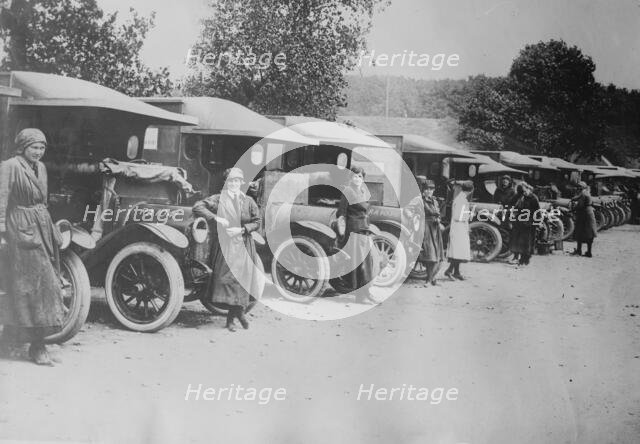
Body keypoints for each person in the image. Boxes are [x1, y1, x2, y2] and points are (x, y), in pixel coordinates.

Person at [0, 128, 66, 365]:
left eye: (41, 148)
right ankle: (32, 346)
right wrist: (1, 233)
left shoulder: (42, 168)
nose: (38, 152)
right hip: (21, 230)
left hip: (42, 228)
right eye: (33, 147)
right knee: (25, 288)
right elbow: (1, 199)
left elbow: (43, 201)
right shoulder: (10, 166)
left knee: (47, 287)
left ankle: (34, 344)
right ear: (22, 147)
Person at [193, 167, 262, 332]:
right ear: (226, 183)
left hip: (244, 245)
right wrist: (216, 218)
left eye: (237, 181)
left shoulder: (249, 202)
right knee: (227, 280)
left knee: (242, 281)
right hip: (226, 246)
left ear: (241, 183)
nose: (234, 184)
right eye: (231, 181)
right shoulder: (219, 199)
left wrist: (243, 229)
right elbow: (198, 206)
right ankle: (237, 316)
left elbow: (258, 222)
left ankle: (233, 317)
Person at [336, 166, 376, 303]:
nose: (357, 179)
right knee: (359, 264)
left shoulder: (364, 191)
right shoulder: (348, 191)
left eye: (360, 176)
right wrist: (342, 232)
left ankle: (367, 292)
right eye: (354, 176)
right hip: (354, 230)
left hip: (364, 229)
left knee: (367, 263)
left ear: (363, 178)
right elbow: (341, 213)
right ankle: (361, 296)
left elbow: (366, 211)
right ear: (350, 177)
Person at [418, 178, 445, 286]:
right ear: (423, 190)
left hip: (435, 229)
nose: (429, 191)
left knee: (437, 255)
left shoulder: (434, 201)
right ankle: (428, 280)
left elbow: (438, 213)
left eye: (431, 189)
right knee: (431, 256)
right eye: (427, 189)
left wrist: (439, 220)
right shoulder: (420, 200)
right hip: (425, 228)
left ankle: (432, 278)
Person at [444, 181, 473, 280]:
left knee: (459, 250)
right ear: (471, 190)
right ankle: (449, 270)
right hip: (458, 227)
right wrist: (466, 217)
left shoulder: (461, 198)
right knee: (458, 250)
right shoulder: (461, 200)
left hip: (460, 226)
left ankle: (456, 272)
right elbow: (457, 216)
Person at [509, 183, 540, 265]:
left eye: (525, 190)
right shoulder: (521, 197)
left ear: (528, 188)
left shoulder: (533, 198)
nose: (524, 192)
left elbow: (537, 211)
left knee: (527, 243)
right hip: (519, 222)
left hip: (528, 223)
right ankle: (517, 258)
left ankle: (525, 260)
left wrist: (537, 222)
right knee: (517, 240)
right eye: (523, 191)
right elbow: (512, 203)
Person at [570, 181, 597, 257]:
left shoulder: (583, 193)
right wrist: (573, 199)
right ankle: (588, 252)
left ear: (580, 188)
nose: (577, 189)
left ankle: (579, 251)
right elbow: (578, 197)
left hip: (584, 215)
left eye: (578, 187)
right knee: (589, 233)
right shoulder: (586, 192)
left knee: (580, 232)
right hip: (589, 213)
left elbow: (580, 205)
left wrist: (573, 209)